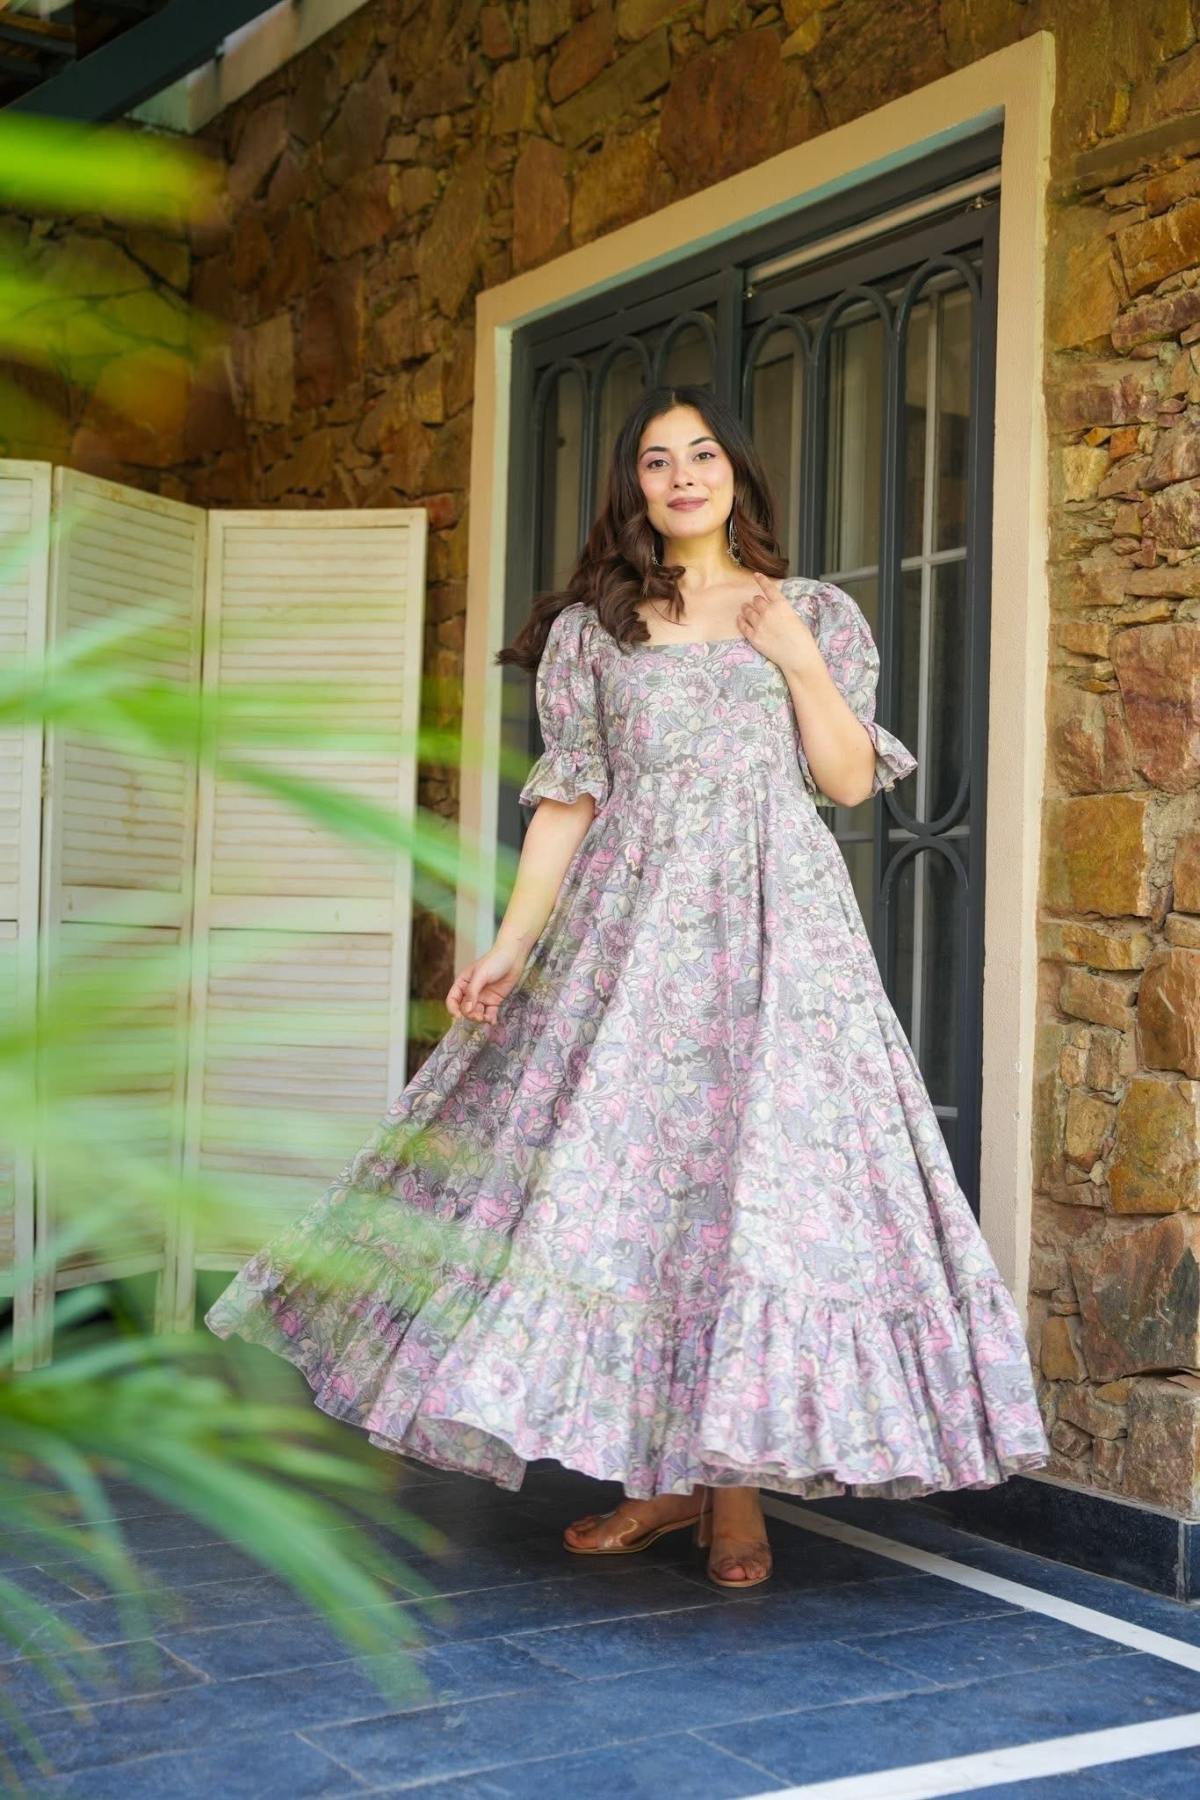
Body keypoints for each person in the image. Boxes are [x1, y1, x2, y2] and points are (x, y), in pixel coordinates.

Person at [205, 384, 1049, 1591]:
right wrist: (510, 943)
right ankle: (661, 1484)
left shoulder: (811, 611)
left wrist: (797, 660)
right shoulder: (595, 630)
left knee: (751, 1191)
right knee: (643, 1194)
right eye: (658, 461)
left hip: (778, 937)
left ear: (737, 474)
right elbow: (571, 800)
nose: (683, 475)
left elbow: (850, 781)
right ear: (635, 489)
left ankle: (734, 1492)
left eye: (702, 454)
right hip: (633, 935)